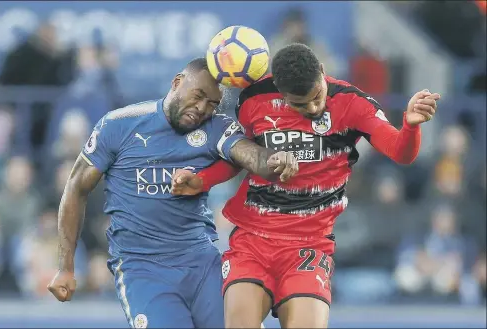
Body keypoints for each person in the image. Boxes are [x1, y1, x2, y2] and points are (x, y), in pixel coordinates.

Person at [171, 44, 441, 328]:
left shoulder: (353, 103)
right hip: (253, 240)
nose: (313, 108)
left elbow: (401, 152)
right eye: (300, 104)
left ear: (322, 73)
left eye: (317, 97)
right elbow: (242, 157)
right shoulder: (254, 100)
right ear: (280, 92)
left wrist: (410, 126)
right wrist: (203, 180)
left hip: (309, 246)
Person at [46, 58, 298, 328]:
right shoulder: (119, 125)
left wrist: (275, 159)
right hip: (143, 269)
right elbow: (75, 188)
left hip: (201, 262)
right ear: (177, 82)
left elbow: (251, 156)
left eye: (212, 104)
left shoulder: (216, 128)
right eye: (198, 96)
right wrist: (66, 267)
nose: (201, 108)